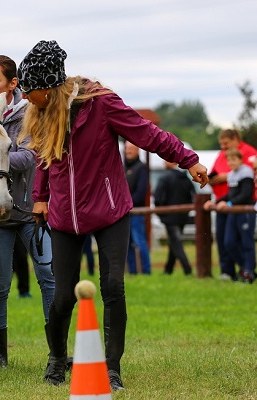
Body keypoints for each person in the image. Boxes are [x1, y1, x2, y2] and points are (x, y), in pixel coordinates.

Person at [17, 40, 209, 390]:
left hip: (109, 211)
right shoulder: (43, 112)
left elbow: (146, 133)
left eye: (31, 91)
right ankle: (57, 360)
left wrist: (188, 159)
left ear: (50, 87)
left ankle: (111, 368)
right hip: (64, 217)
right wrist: (40, 197)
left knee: (113, 287)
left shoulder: (103, 103)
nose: (27, 98)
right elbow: (45, 156)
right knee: (63, 297)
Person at [0, 54, 55, 367]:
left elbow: (29, 157)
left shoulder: (31, 113)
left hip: (32, 210)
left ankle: (57, 351)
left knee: (49, 277)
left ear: (13, 83)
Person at [206, 129, 257, 280]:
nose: (223, 147)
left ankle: (248, 270)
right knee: (226, 241)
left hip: (242, 207)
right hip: (227, 204)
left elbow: (247, 186)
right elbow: (218, 174)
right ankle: (232, 270)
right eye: (221, 144)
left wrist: (227, 178)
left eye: (226, 143)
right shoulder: (223, 156)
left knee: (244, 241)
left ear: (235, 139)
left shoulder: (249, 155)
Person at [154, 161, 195, 275]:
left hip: (169, 216)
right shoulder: (186, 178)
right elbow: (193, 195)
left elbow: (157, 197)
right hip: (183, 216)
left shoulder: (165, 177)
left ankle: (187, 269)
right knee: (174, 242)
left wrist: (161, 213)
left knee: (176, 243)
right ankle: (168, 269)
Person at [124, 141, 152, 275]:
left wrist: (127, 204)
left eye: (131, 148)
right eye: (127, 148)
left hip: (136, 212)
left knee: (139, 242)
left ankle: (146, 271)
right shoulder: (123, 167)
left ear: (138, 150)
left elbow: (141, 192)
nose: (128, 151)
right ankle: (133, 271)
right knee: (127, 243)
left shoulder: (141, 168)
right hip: (124, 213)